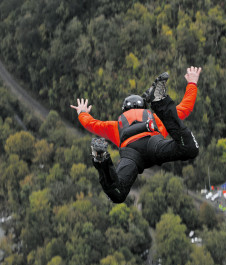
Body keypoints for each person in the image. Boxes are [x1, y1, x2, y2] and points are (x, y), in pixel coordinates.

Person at [70, 66, 202, 203]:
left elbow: (91, 124)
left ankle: (101, 160)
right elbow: (186, 107)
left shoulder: (115, 126)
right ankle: (160, 103)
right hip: (154, 143)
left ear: (124, 110)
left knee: (117, 193)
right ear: (143, 108)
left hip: (131, 154)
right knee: (190, 148)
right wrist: (192, 83)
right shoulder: (155, 119)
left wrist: (82, 112)